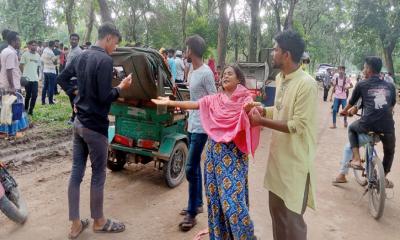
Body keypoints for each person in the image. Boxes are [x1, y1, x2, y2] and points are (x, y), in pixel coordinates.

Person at [152, 65, 260, 239]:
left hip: (234, 156)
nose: (225, 76)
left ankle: (247, 236)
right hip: (214, 156)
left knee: (233, 203)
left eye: (229, 74)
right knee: (216, 199)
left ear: (239, 79)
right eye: (223, 74)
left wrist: (252, 111)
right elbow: (194, 104)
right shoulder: (215, 99)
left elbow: (256, 116)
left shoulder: (245, 99)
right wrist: (170, 102)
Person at [57, 22, 132, 239]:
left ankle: (75, 224)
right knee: (98, 173)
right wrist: (121, 88)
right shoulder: (105, 60)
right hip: (95, 127)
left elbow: (62, 79)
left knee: (76, 173)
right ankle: (99, 221)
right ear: (108, 38)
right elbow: (104, 97)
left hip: (79, 123)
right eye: (115, 44)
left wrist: (76, 94)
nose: (115, 48)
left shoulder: (80, 55)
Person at [248, 30, 317, 240]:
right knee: (277, 217)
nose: (273, 53)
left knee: (293, 225)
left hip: (294, 166)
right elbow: (280, 110)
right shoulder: (280, 78)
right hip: (277, 163)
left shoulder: (307, 84)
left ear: (286, 55)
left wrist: (261, 121)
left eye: (276, 49)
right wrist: (263, 110)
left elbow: (297, 125)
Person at [175, 35, 217, 232]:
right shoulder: (192, 69)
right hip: (192, 124)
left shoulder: (206, 73)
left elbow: (213, 99)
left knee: (190, 167)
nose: (185, 52)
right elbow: (194, 97)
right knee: (194, 168)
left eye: (186, 49)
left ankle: (192, 212)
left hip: (202, 127)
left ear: (191, 50)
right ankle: (197, 203)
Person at [338, 56, 396, 186]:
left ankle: (357, 159)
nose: (363, 70)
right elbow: (391, 106)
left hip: (368, 124)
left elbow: (352, 102)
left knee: (352, 129)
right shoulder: (390, 86)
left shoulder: (362, 84)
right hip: (387, 127)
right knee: (390, 151)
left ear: (368, 69)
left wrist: (344, 111)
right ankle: (383, 177)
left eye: (364, 67)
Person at [0, 31, 30, 139]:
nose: (20, 42)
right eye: (18, 40)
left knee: (6, 109)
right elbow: (9, 70)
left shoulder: (4, 51)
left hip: (4, 85)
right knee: (15, 109)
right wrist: (12, 87)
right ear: (13, 41)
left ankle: (5, 132)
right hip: (11, 87)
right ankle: (14, 132)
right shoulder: (11, 53)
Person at [64, 33, 83, 124]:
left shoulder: (79, 51)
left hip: (75, 79)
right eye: (72, 39)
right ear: (70, 40)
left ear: (78, 41)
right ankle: (75, 117)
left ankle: (75, 118)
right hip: (69, 79)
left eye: (75, 39)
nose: (73, 41)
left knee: (75, 100)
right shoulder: (71, 50)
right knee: (72, 99)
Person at [20, 40, 41, 115]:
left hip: (35, 79)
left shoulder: (38, 56)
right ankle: (26, 108)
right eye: (33, 45)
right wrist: (24, 74)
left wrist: (38, 76)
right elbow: (21, 65)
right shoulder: (25, 54)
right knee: (28, 95)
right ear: (29, 46)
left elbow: (38, 67)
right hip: (27, 79)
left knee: (35, 95)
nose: (34, 46)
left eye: (35, 45)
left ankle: (31, 110)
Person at [41, 40, 58, 105]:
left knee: (45, 86)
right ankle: (50, 101)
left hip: (45, 70)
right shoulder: (51, 53)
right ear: (53, 45)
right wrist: (56, 58)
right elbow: (55, 63)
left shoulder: (45, 50)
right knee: (51, 86)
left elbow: (42, 59)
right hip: (51, 71)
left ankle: (43, 101)